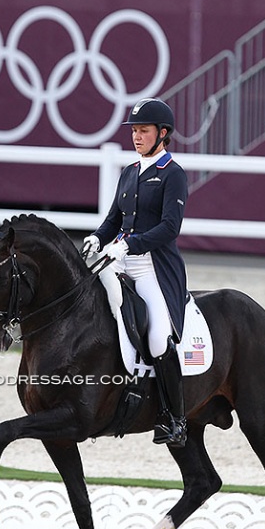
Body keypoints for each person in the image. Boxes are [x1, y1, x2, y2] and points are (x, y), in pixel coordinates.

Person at [83, 98, 188, 447]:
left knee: (158, 338)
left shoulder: (173, 174)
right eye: (135, 131)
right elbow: (114, 219)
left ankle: (176, 418)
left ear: (163, 133)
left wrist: (130, 245)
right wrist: (96, 239)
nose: (137, 136)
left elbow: (170, 227)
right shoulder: (129, 171)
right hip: (120, 259)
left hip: (153, 268)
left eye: (143, 131)